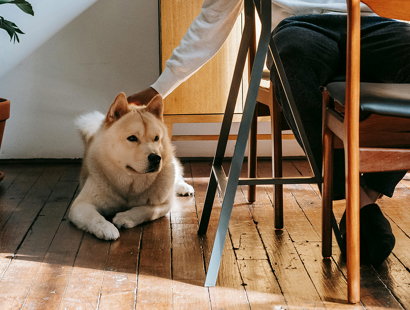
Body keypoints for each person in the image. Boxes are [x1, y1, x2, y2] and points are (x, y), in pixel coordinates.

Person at [128, 0, 410, 265]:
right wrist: (159, 88)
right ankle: (353, 195)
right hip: (301, 27)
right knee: (291, 56)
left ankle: (364, 197)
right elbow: (214, 17)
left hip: (378, 22)